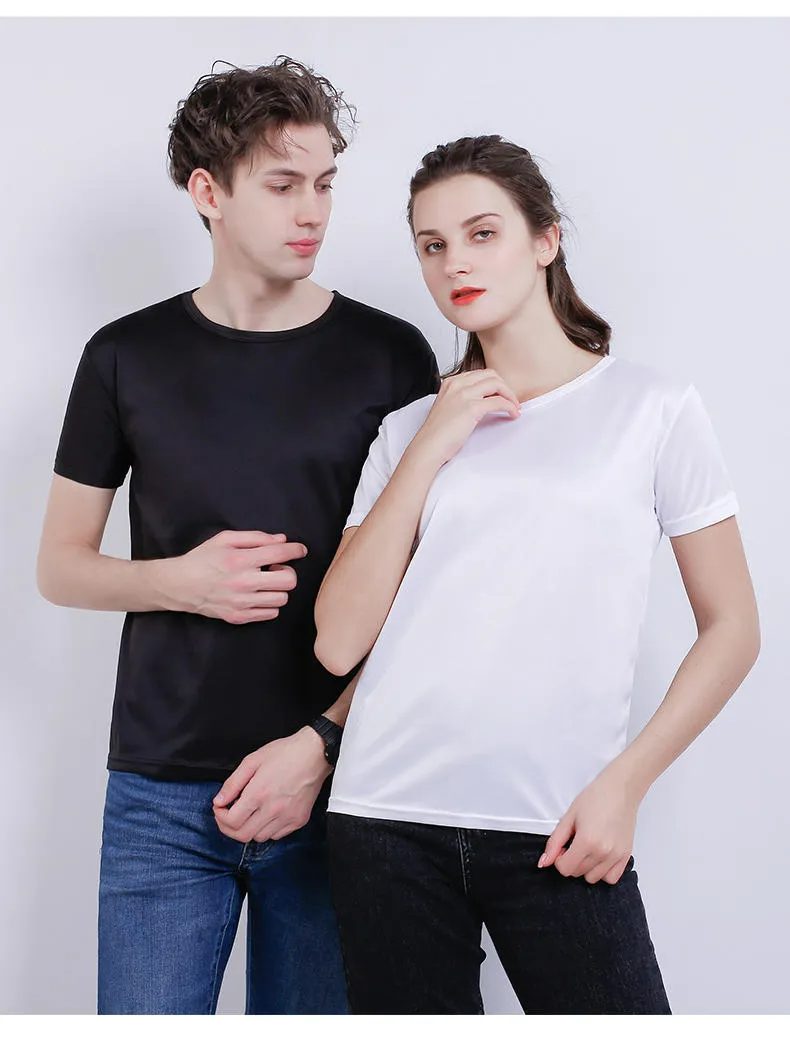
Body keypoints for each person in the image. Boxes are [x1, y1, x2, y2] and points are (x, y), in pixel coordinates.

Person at [313, 135, 761, 1015]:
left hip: (560, 821)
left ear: (545, 240)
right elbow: (337, 640)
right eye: (433, 244)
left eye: (482, 233)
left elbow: (734, 627)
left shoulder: (652, 408)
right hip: (385, 816)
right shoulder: (408, 430)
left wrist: (625, 784)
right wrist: (436, 440)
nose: (455, 262)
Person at [35, 58, 439, 1015]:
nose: (315, 212)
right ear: (208, 193)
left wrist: (322, 742)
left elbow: (432, 593)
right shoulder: (124, 355)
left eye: (326, 183)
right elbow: (59, 566)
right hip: (162, 794)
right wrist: (180, 580)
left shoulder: (391, 356)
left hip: (337, 782)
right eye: (283, 184)